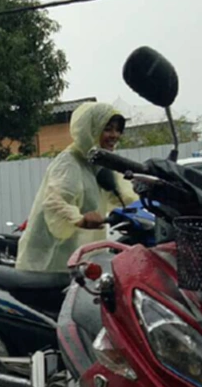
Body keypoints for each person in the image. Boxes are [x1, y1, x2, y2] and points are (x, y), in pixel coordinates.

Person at [16, 102, 137, 273]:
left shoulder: (99, 163)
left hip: (81, 256)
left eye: (118, 130)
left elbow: (124, 194)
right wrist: (79, 219)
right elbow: (54, 202)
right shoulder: (69, 162)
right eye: (108, 129)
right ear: (90, 129)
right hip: (51, 260)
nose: (114, 135)